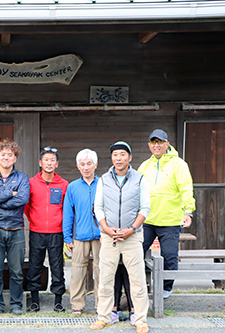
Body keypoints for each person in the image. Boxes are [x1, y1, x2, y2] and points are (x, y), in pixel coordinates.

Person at [91, 141, 150, 333]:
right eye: (115, 155)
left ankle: (140, 319)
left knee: (137, 279)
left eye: (123, 155)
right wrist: (106, 229)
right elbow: (98, 207)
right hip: (109, 237)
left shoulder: (140, 179)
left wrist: (132, 229)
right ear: (112, 158)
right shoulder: (103, 180)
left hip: (132, 236)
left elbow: (145, 208)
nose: (119, 158)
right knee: (105, 278)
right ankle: (104, 317)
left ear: (130, 158)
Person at [139, 129, 196, 299]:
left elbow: (186, 188)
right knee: (135, 252)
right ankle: (141, 285)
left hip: (170, 220)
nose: (157, 146)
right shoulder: (145, 166)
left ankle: (165, 290)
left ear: (167, 144)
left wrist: (188, 212)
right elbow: (136, 191)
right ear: (150, 145)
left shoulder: (178, 164)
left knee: (170, 257)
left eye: (160, 142)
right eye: (153, 142)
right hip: (147, 219)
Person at [0, 139, 30, 316]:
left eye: (10, 154)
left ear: (15, 158)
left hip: (16, 228)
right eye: (3, 154)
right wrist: (10, 193)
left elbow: (22, 200)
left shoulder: (22, 177)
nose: (6, 157)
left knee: (16, 271)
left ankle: (17, 304)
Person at [24, 147, 69, 312]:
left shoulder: (64, 184)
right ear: (40, 163)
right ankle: (34, 301)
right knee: (35, 265)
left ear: (57, 164)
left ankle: (58, 301)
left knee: (57, 266)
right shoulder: (31, 183)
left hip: (57, 232)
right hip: (37, 231)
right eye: (46, 160)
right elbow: (27, 207)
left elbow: (66, 209)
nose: (49, 163)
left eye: (52, 160)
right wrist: (35, 221)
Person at [62, 148, 101, 314]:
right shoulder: (73, 187)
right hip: (80, 236)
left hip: (102, 235)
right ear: (78, 166)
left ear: (95, 165)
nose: (86, 167)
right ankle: (77, 304)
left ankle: (102, 304)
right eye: (83, 164)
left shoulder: (104, 184)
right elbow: (68, 214)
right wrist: (67, 237)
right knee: (78, 270)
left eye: (89, 164)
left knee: (102, 270)